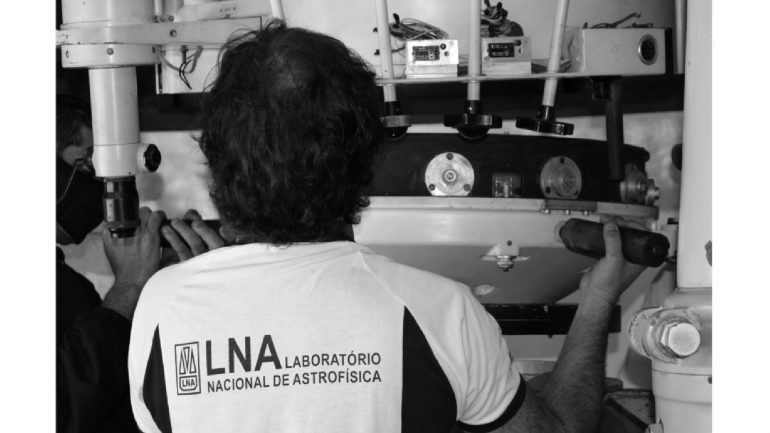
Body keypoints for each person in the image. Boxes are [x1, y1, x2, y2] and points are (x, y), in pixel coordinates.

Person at [127, 21, 644, 433]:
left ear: (217, 160)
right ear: (365, 160)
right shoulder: (441, 311)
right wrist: (597, 300)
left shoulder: (163, 306)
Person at [56, 95, 224, 432]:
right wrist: (130, 284)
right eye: (85, 164)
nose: (98, 183)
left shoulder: (66, 282)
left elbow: (117, 376)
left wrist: (159, 285)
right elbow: (61, 405)